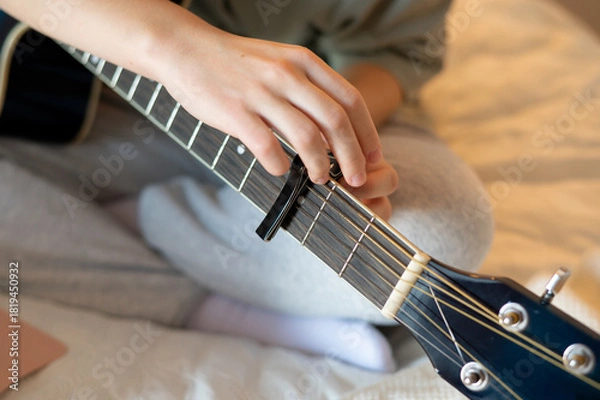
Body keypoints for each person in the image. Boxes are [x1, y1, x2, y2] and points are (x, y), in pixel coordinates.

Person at [0, 0, 493, 373]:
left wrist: (324, 132)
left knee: (445, 233)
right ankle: (202, 298)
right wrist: (178, 46)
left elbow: (392, 48)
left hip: (271, 131)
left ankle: (152, 221)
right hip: (61, 124)